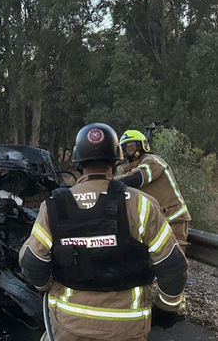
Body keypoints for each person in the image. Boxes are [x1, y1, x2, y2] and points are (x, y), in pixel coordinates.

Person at [19, 123, 188, 341]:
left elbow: (32, 262)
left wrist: (45, 287)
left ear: (78, 163)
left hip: (69, 324)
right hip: (129, 327)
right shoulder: (142, 206)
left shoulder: (54, 206)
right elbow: (173, 268)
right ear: (116, 160)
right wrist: (166, 309)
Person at [115, 130, 192, 252]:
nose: (129, 151)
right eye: (126, 148)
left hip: (173, 220)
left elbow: (136, 178)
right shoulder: (129, 169)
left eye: (132, 146)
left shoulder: (152, 161)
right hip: (156, 221)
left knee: (175, 261)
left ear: (142, 145)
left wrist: (108, 182)